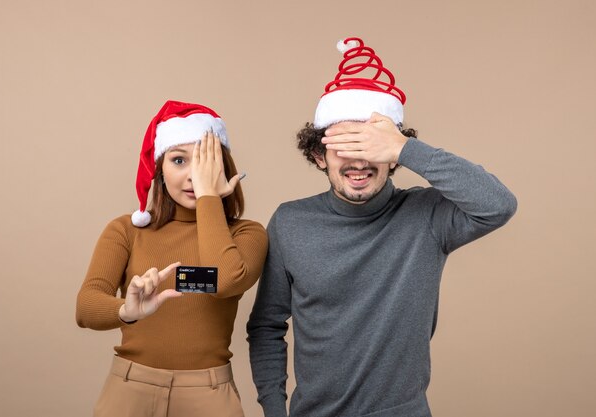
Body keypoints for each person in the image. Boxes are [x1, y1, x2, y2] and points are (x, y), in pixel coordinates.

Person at [247, 37, 517, 417]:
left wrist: (405, 148)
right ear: (318, 156)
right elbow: (266, 326)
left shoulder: (427, 215)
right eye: (344, 145)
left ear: (392, 157)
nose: (359, 160)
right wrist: (275, 410)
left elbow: (498, 204)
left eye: (372, 148)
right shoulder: (290, 222)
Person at [76, 100, 268, 417]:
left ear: (225, 169)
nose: (194, 176)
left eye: (205, 163)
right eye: (179, 160)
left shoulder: (247, 234)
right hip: (129, 389)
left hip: (208, 395)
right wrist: (126, 310)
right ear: (160, 170)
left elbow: (225, 281)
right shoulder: (127, 230)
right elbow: (85, 307)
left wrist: (208, 197)